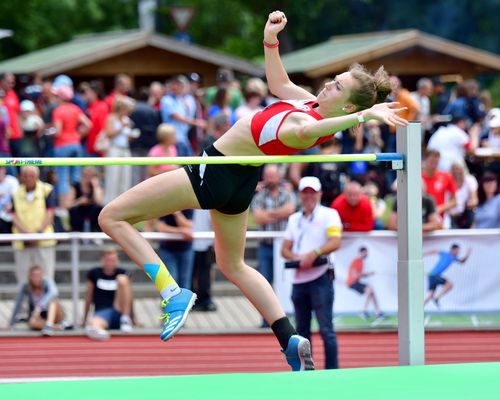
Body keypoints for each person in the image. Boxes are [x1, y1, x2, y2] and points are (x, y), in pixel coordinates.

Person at [98, 10, 408, 371]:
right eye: (333, 79)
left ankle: (171, 292)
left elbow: (309, 132)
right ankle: (288, 337)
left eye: (337, 87)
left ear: (349, 105)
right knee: (233, 264)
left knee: (112, 216)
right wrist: (270, 40)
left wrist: (363, 118)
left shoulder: (306, 123)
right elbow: (278, 85)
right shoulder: (308, 104)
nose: (327, 85)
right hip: (240, 183)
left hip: (214, 171)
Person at [281, 176, 342, 369]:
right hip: (299, 280)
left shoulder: (329, 214)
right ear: (300, 195)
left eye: (312, 192)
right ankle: (307, 369)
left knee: (326, 329)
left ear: (319, 194)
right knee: (302, 331)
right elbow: (285, 249)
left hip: (320, 277)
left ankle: (332, 371)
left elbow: (335, 241)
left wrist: (313, 254)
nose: (308, 196)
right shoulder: (294, 218)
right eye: (305, 192)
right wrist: (299, 258)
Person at [250, 164, 296, 327]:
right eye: (267, 176)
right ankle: (266, 320)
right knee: (264, 283)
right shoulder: (259, 196)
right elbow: (258, 218)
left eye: (272, 176)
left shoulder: (286, 193)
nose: (270, 179)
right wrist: (279, 214)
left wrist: (269, 214)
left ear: (278, 177)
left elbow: (290, 210)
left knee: (284, 282)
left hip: (283, 248)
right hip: (266, 246)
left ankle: (286, 317)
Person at [11, 166, 57, 282]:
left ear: (37, 176)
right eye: (25, 176)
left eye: (31, 176)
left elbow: (50, 213)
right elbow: (13, 215)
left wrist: (38, 233)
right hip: (22, 240)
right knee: (23, 277)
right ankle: (25, 300)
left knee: (46, 276)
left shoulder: (47, 190)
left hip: (44, 239)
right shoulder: (15, 193)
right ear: (21, 177)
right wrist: (27, 234)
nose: (28, 179)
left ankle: (48, 300)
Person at [82, 246, 134, 340]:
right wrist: (84, 318)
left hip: (119, 309)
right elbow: (88, 297)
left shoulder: (123, 272)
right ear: (102, 260)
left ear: (117, 260)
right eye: (108, 260)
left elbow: (129, 297)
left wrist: (134, 318)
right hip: (103, 312)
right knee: (94, 324)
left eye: (113, 260)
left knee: (122, 279)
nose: (110, 263)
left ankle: (125, 319)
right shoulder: (94, 273)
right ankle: (97, 330)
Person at [9, 265, 69, 336]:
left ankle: (49, 324)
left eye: (38, 275)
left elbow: (54, 291)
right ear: (30, 277)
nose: (36, 278)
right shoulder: (26, 286)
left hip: (54, 312)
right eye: (34, 276)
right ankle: (59, 327)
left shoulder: (47, 282)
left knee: (53, 300)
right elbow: (18, 304)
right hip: (41, 316)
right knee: (31, 323)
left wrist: (39, 305)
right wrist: (11, 323)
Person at [346, 247, 383, 319]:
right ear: (361, 253)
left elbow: (359, 275)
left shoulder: (361, 262)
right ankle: (364, 311)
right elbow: (355, 275)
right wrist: (368, 274)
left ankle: (378, 312)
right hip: (352, 283)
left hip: (356, 282)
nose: (366, 254)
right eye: (365, 253)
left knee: (371, 291)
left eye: (367, 253)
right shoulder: (356, 261)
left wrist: (368, 274)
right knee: (370, 290)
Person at [67, 166, 104, 233]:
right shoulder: (75, 186)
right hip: (79, 209)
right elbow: (68, 205)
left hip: (91, 211)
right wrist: (79, 201)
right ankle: (76, 231)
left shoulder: (96, 187)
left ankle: (96, 231)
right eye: (86, 176)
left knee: (98, 208)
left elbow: (99, 202)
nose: (88, 178)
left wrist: (96, 186)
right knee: (73, 210)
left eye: (91, 176)